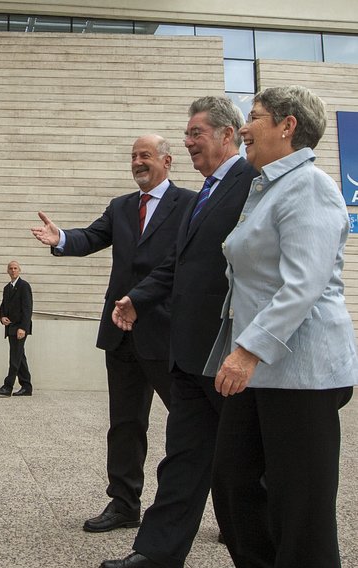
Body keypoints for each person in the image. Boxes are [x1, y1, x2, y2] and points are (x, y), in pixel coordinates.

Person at [203, 85, 358, 568]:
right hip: (258, 371)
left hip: (300, 372)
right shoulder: (267, 185)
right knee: (233, 485)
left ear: (287, 125)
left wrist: (248, 349)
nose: (244, 127)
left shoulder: (309, 185)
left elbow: (304, 284)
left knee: (300, 510)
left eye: (255, 116)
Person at [104, 96, 257, 568]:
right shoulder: (207, 191)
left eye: (196, 134)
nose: (188, 142)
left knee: (240, 464)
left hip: (226, 353)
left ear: (228, 135)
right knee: (184, 459)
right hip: (189, 353)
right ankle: (156, 553)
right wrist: (137, 298)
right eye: (187, 135)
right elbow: (179, 264)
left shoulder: (251, 182)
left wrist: (249, 348)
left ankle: (255, 549)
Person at [31, 134, 196, 533]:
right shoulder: (121, 206)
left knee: (194, 425)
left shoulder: (190, 204)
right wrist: (62, 239)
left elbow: (179, 263)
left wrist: (141, 298)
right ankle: (124, 504)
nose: (138, 162)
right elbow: (92, 237)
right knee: (124, 424)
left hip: (167, 332)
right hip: (121, 334)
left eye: (146, 156)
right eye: (133, 156)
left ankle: (232, 512)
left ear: (167, 161)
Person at [0, 261, 33, 396]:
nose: (13, 270)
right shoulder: (7, 288)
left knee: (14, 357)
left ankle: (7, 386)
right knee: (19, 356)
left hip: (20, 328)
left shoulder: (24, 286)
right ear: (7, 271)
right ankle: (26, 386)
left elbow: (27, 309)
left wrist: (23, 328)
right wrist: (2, 317)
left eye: (15, 268)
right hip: (10, 328)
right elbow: (3, 305)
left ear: (19, 270)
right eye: (11, 268)